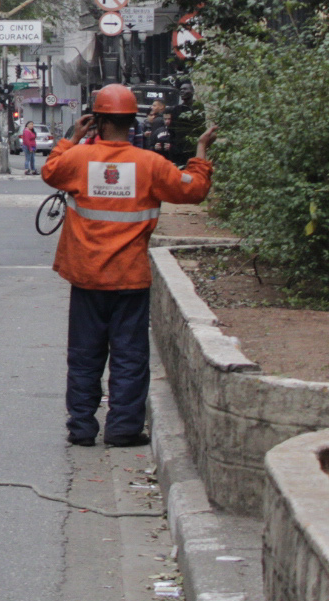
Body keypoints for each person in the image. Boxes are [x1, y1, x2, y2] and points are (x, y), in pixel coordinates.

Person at [42, 83, 217, 447]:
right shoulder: (150, 164)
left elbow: (50, 171)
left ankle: (82, 428)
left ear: (98, 121)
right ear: (131, 122)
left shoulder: (77, 159)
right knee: (130, 357)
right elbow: (194, 190)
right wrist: (200, 151)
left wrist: (73, 138)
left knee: (84, 356)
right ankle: (122, 429)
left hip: (87, 278)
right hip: (129, 279)